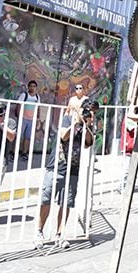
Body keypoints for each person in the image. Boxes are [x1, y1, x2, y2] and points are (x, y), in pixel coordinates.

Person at [35, 99, 94, 249]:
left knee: (66, 203)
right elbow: (63, 136)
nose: (86, 112)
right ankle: (39, 232)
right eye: (84, 109)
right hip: (56, 166)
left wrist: (85, 124)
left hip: (72, 170)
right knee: (46, 200)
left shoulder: (87, 126)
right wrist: (75, 123)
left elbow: (89, 143)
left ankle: (60, 234)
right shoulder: (67, 119)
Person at [16, 80, 41, 162]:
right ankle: (13, 152)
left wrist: (38, 118)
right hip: (23, 118)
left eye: (34, 86)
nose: (32, 88)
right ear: (28, 87)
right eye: (31, 86)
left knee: (27, 137)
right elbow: (19, 105)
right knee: (18, 136)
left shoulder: (37, 97)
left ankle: (24, 153)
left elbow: (38, 107)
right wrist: (19, 116)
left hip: (32, 119)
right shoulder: (24, 95)